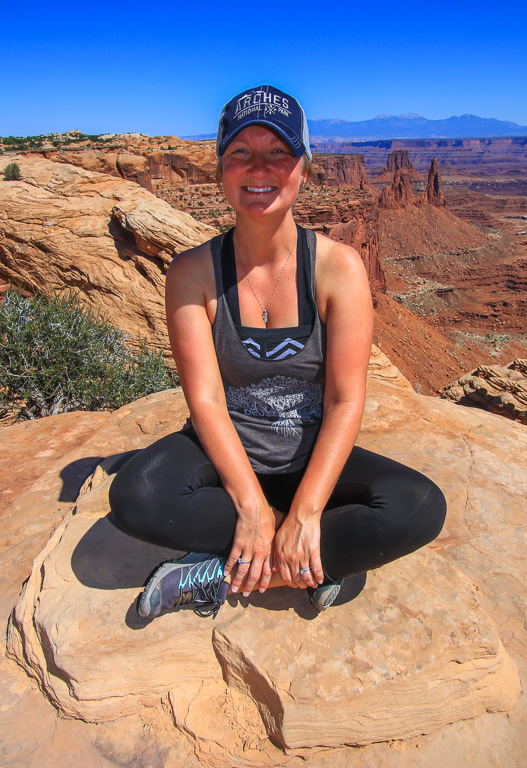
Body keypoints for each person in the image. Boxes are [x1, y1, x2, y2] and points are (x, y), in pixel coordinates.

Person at [109, 85, 446, 619]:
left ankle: (226, 567)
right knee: (136, 496)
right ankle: (318, 563)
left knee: (421, 506)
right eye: (240, 153)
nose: (258, 169)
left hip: (307, 455)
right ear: (221, 169)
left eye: (278, 153)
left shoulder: (338, 269)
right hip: (226, 459)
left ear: (304, 169)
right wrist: (250, 507)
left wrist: (308, 510)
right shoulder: (192, 273)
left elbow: (343, 400)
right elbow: (206, 400)